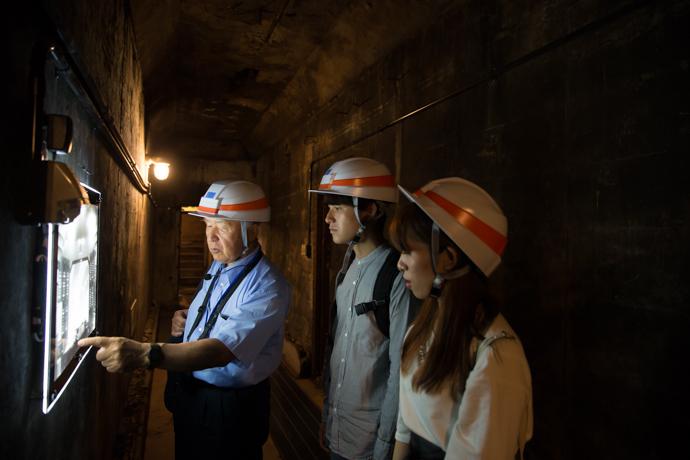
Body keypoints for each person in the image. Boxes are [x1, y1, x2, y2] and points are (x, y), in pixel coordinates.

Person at [79, 179, 291, 460]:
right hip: (191, 395)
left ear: (252, 229)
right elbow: (215, 313)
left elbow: (220, 350)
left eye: (223, 226)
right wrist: (188, 322)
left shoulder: (268, 286)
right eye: (207, 225)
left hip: (229, 409)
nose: (210, 237)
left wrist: (147, 353)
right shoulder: (221, 264)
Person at [390, 177, 533, 460]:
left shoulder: (497, 355)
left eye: (408, 250)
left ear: (449, 258)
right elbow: (405, 424)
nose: (399, 262)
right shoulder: (425, 323)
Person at [309, 157, 418, 460]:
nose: (327, 218)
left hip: (371, 445)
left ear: (369, 210)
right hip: (338, 432)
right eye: (328, 209)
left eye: (338, 209)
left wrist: (386, 446)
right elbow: (336, 350)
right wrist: (327, 418)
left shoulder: (395, 277)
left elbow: (401, 372)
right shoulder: (346, 268)